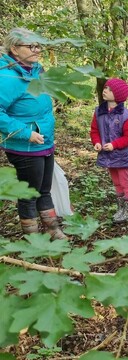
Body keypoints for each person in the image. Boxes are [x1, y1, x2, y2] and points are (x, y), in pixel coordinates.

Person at [0, 28, 67, 239]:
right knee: (29, 194)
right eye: (31, 46)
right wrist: (25, 133)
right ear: (14, 49)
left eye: (38, 45)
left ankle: (54, 230)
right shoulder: (7, 76)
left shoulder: (36, 70)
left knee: (44, 190)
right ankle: (33, 238)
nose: (37, 50)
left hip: (44, 141)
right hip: (25, 145)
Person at [90, 78, 128, 223]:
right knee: (116, 182)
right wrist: (97, 142)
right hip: (107, 156)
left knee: (125, 182)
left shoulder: (125, 115)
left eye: (109, 89)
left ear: (118, 94)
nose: (105, 90)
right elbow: (94, 130)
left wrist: (114, 144)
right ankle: (121, 208)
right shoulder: (99, 112)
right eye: (105, 88)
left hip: (121, 156)